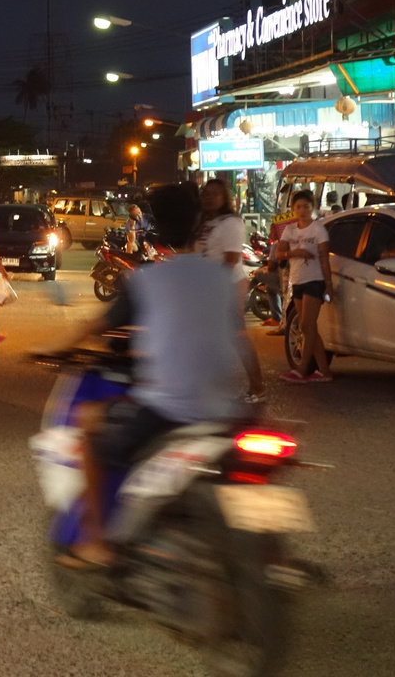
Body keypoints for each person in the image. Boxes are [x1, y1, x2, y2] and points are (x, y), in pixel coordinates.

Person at [47, 183, 244, 569]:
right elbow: (229, 336)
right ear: (198, 226)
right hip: (226, 406)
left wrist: (52, 349)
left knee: (89, 425)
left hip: (170, 408)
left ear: (155, 226)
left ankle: (96, 543)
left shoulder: (148, 280)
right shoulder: (225, 279)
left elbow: (94, 326)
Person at [198, 177, 266, 402]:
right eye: (206, 193)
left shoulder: (231, 222)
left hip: (227, 285)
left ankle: (258, 388)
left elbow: (230, 260)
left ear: (225, 197)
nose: (209, 197)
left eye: (215, 193)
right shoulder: (204, 221)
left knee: (237, 336)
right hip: (208, 286)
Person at [277, 189, 333, 383]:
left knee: (306, 325)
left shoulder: (318, 229)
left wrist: (328, 284)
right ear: (293, 209)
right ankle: (324, 371)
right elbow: (279, 254)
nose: (302, 211)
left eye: (306, 207)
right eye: (298, 207)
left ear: (313, 207)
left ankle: (302, 370)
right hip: (297, 280)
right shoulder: (290, 230)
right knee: (310, 329)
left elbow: (324, 259)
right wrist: (296, 252)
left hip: (314, 280)